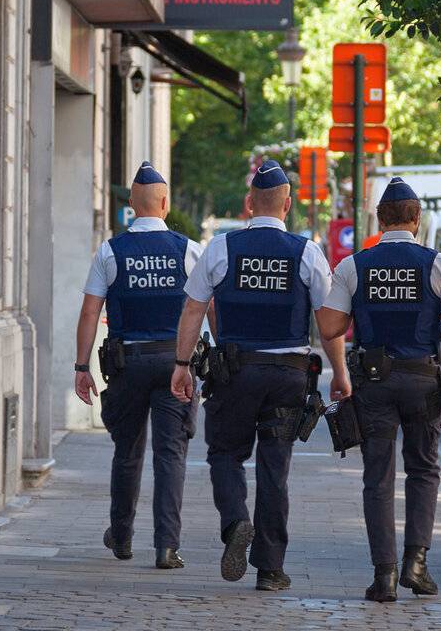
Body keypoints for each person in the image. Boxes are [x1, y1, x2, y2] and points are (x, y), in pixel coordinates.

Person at [170, 160, 350, 592]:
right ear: (287, 205)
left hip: (235, 372)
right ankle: (270, 569)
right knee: (275, 467)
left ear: (249, 203)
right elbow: (328, 324)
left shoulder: (221, 248)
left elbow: (193, 308)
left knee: (225, 454)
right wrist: (340, 374)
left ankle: (236, 522)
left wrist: (181, 364)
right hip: (289, 375)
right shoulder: (307, 252)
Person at [316, 176, 441, 602]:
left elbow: (330, 327)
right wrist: (429, 328)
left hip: (374, 382)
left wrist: (363, 314)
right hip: (422, 380)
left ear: (380, 220)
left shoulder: (354, 266)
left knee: (378, 476)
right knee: (423, 470)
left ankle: (383, 576)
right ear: (416, 218)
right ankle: (416, 566)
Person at [74, 161, 202, 570]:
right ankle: (167, 546)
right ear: (165, 203)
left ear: (132, 204)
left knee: (127, 452)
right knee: (170, 455)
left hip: (127, 365)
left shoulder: (111, 251)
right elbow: (204, 310)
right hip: (175, 363)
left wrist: (81, 366)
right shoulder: (188, 250)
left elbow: (90, 312)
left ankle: (122, 535)